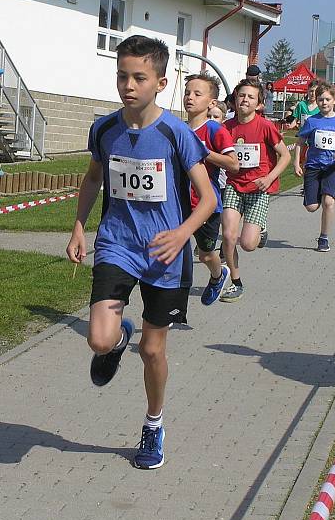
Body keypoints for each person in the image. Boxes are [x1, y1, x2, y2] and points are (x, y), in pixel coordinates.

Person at [66, 35, 216, 468]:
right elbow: (93, 178)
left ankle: (153, 425)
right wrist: (79, 226)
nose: (128, 85)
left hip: (165, 254)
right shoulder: (105, 129)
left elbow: (206, 198)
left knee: (153, 351)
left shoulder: (176, 133)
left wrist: (182, 233)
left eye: (138, 77)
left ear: (161, 83)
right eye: (121, 76)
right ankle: (115, 342)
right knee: (98, 339)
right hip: (117, 244)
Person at [219, 79, 291, 302]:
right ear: (235, 98)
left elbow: (285, 155)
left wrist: (269, 178)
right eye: (241, 95)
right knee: (229, 236)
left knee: (249, 244)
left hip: (258, 188)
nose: (245, 100)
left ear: (259, 103)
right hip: (234, 185)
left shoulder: (265, 126)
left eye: (250, 97)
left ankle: (261, 228)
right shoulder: (226, 127)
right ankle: (236, 282)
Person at [183, 72, 239, 304]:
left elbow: (233, 163)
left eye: (197, 94)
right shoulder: (178, 128)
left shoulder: (215, 130)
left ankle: (218, 275)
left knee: (206, 254)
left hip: (206, 206)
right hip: (179, 203)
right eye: (187, 93)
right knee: (173, 251)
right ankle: (172, 299)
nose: (190, 98)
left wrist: (205, 152)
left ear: (211, 102)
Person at [294, 82, 335, 252]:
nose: (324, 103)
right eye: (321, 99)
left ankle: (324, 238)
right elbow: (300, 142)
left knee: (328, 202)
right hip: (313, 166)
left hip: (332, 167)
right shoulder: (312, 121)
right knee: (312, 207)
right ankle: (313, 192)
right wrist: (296, 163)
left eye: (327, 99)